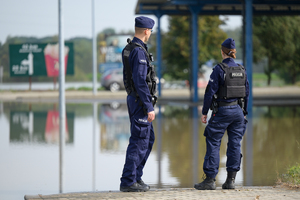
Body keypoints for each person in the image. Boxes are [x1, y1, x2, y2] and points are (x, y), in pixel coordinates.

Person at [194, 38, 249, 190]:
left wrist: (205, 112)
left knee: (213, 142)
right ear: (233, 53)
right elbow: (246, 93)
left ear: (222, 52)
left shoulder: (219, 69)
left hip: (222, 111)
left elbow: (209, 92)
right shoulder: (242, 70)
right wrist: (244, 112)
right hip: (238, 112)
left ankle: (210, 181)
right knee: (235, 144)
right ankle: (230, 181)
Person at [120, 16, 157, 192]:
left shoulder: (129, 48)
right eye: (150, 31)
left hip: (136, 99)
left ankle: (136, 177)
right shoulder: (138, 51)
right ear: (146, 31)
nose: (150, 34)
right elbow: (140, 81)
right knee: (139, 140)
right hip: (139, 101)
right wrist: (149, 106)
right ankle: (128, 181)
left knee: (148, 139)